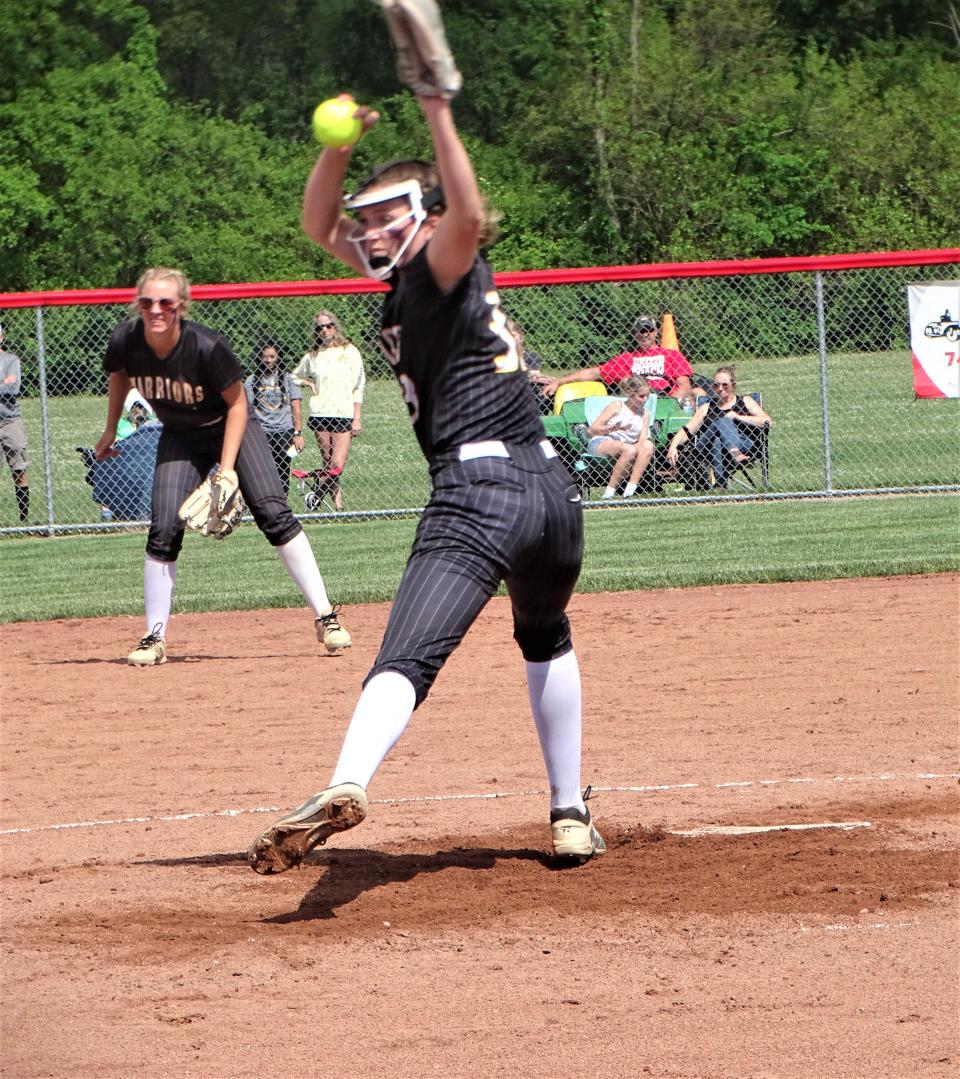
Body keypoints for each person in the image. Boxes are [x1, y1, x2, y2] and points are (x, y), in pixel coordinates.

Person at [248, 90, 604, 874]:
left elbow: (469, 217)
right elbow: (319, 225)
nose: (370, 231)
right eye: (367, 218)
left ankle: (347, 779)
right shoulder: (417, 275)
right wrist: (338, 150)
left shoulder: (445, 261)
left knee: (405, 659)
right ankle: (570, 810)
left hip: (481, 495)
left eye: (388, 216)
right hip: (552, 492)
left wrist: (440, 110)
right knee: (545, 634)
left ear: (430, 216)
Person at [94, 267, 351, 666]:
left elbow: (236, 405)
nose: (156, 310)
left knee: (273, 512)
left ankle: (326, 617)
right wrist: (110, 428)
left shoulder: (205, 347)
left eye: (166, 302)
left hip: (232, 427)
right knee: (163, 525)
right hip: (180, 435)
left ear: (182, 306)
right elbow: (120, 375)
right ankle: (154, 637)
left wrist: (227, 469)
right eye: (147, 303)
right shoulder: (127, 340)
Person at [291, 310, 365, 511]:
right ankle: (337, 504)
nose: (324, 330)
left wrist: (357, 417)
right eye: (319, 327)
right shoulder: (312, 355)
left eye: (328, 325)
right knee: (328, 462)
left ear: (335, 326)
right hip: (320, 412)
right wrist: (307, 383)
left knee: (337, 465)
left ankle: (315, 496)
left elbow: (359, 384)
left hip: (344, 412)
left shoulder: (349, 351)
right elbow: (294, 376)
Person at [542, 314, 695, 407]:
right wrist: (559, 381)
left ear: (655, 332)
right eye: (640, 331)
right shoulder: (627, 359)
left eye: (648, 330)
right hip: (637, 403)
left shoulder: (671, 355)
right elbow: (594, 372)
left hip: (664, 398)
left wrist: (666, 405)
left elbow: (684, 386)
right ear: (635, 334)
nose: (645, 334)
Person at [666, 365, 771, 488]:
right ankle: (734, 453)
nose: (720, 388)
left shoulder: (746, 401)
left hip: (744, 445)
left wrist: (738, 417)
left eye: (725, 385)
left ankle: (720, 484)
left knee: (718, 439)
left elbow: (767, 421)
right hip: (707, 448)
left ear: (733, 385)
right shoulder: (707, 407)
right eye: (716, 385)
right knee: (722, 421)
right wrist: (673, 446)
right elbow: (687, 430)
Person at [244, 341, 304, 497]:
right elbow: (249, 410)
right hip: (262, 430)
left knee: (283, 467)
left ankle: (282, 500)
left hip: (284, 430)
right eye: (265, 357)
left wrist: (297, 433)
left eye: (272, 356)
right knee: (262, 469)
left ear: (278, 357)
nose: (268, 360)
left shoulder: (288, 379)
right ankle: (265, 499)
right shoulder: (251, 381)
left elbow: (296, 407)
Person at [584, 376, 655, 499]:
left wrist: (640, 445)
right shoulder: (617, 406)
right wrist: (612, 428)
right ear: (630, 393)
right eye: (641, 396)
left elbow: (642, 440)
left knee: (648, 445)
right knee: (629, 449)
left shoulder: (645, 414)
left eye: (647, 396)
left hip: (629, 446)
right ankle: (609, 493)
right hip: (603, 441)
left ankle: (630, 489)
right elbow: (591, 430)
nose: (645, 400)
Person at [0, 323, 30, 523]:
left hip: (10, 420)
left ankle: (23, 520)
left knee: (18, 469)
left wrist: (6, 385)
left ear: (1, 338)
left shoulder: (11, 360)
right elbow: (5, 386)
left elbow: (13, 389)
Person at [506, 315, 552, 416]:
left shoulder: (530, 356)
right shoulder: (500, 356)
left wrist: (542, 379)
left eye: (513, 335)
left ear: (520, 336)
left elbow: (535, 375)